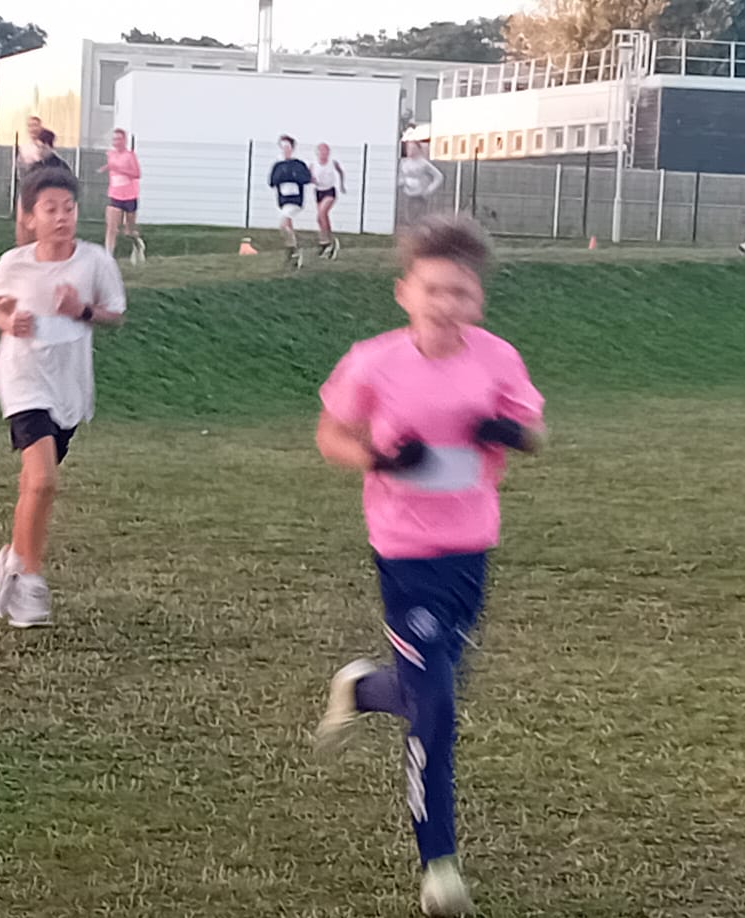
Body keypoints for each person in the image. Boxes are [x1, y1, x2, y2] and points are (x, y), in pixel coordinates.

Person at [311, 214, 544, 918]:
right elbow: (331, 434)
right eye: (433, 289)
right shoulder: (373, 362)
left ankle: (362, 689)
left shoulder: (496, 358)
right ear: (404, 292)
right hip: (404, 554)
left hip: (469, 552)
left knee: (428, 688)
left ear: (478, 301)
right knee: (437, 707)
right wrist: (380, 459)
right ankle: (439, 867)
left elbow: (534, 430)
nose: (446, 304)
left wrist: (508, 432)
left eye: (460, 293)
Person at [0, 167, 127, 628]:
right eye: (50, 209)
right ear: (29, 217)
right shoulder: (15, 262)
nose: (62, 217)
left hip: (69, 383)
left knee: (35, 483)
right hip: (22, 376)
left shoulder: (95, 261)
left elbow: (115, 314)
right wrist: (8, 322)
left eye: (69, 208)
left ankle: (14, 555)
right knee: (43, 480)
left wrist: (80, 309)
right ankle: (28, 580)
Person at [15, 126, 71, 246]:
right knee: (23, 224)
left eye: (42, 147)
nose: (39, 150)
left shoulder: (60, 166)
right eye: (38, 146)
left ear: (50, 147)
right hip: (30, 199)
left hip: (47, 205)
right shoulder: (35, 165)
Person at [268, 135, 315, 270]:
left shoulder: (298, 164)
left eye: (288, 147)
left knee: (283, 225)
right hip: (283, 200)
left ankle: (293, 250)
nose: (285, 150)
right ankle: (293, 253)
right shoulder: (278, 165)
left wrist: (293, 176)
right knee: (288, 226)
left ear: (292, 148)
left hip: (295, 201)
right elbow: (272, 181)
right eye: (283, 147)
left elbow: (306, 178)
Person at [101, 128, 145, 263]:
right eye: (114, 139)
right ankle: (108, 257)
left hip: (130, 196)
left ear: (124, 140)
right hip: (115, 195)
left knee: (128, 231)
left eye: (119, 139)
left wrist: (120, 169)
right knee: (111, 228)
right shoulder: (110, 154)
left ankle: (138, 245)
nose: (116, 142)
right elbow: (111, 167)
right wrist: (105, 168)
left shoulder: (130, 156)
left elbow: (137, 174)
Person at [313, 142, 350, 260]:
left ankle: (329, 242)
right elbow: (307, 177)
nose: (324, 154)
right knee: (320, 218)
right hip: (319, 192)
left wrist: (342, 185)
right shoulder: (313, 165)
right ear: (317, 153)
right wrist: (312, 180)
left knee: (322, 213)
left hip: (329, 191)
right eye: (321, 151)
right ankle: (325, 242)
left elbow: (341, 172)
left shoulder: (332, 163)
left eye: (326, 151)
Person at [397, 141, 445, 226]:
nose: (410, 150)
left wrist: (429, 189)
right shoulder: (404, 162)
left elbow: (439, 176)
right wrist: (401, 182)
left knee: (417, 219)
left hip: (419, 196)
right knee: (406, 219)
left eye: (413, 148)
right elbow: (400, 176)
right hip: (406, 195)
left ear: (418, 149)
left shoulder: (423, 163)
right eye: (409, 148)